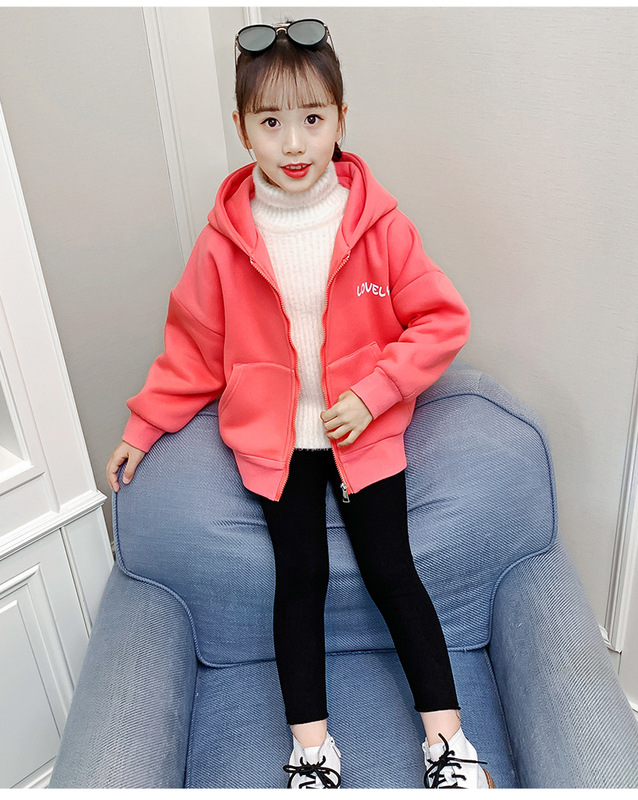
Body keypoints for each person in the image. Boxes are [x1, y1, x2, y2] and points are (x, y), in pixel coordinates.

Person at [106, 18, 494, 790]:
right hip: (278, 444)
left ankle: (449, 744)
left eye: (313, 119)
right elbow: (193, 346)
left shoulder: (380, 225)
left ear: (341, 120)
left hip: (364, 435)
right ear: (241, 128)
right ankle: (312, 754)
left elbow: (441, 321)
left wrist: (374, 393)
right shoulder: (223, 243)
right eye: (271, 122)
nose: (293, 143)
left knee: (394, 573)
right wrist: (144, 425)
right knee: (300, 581)